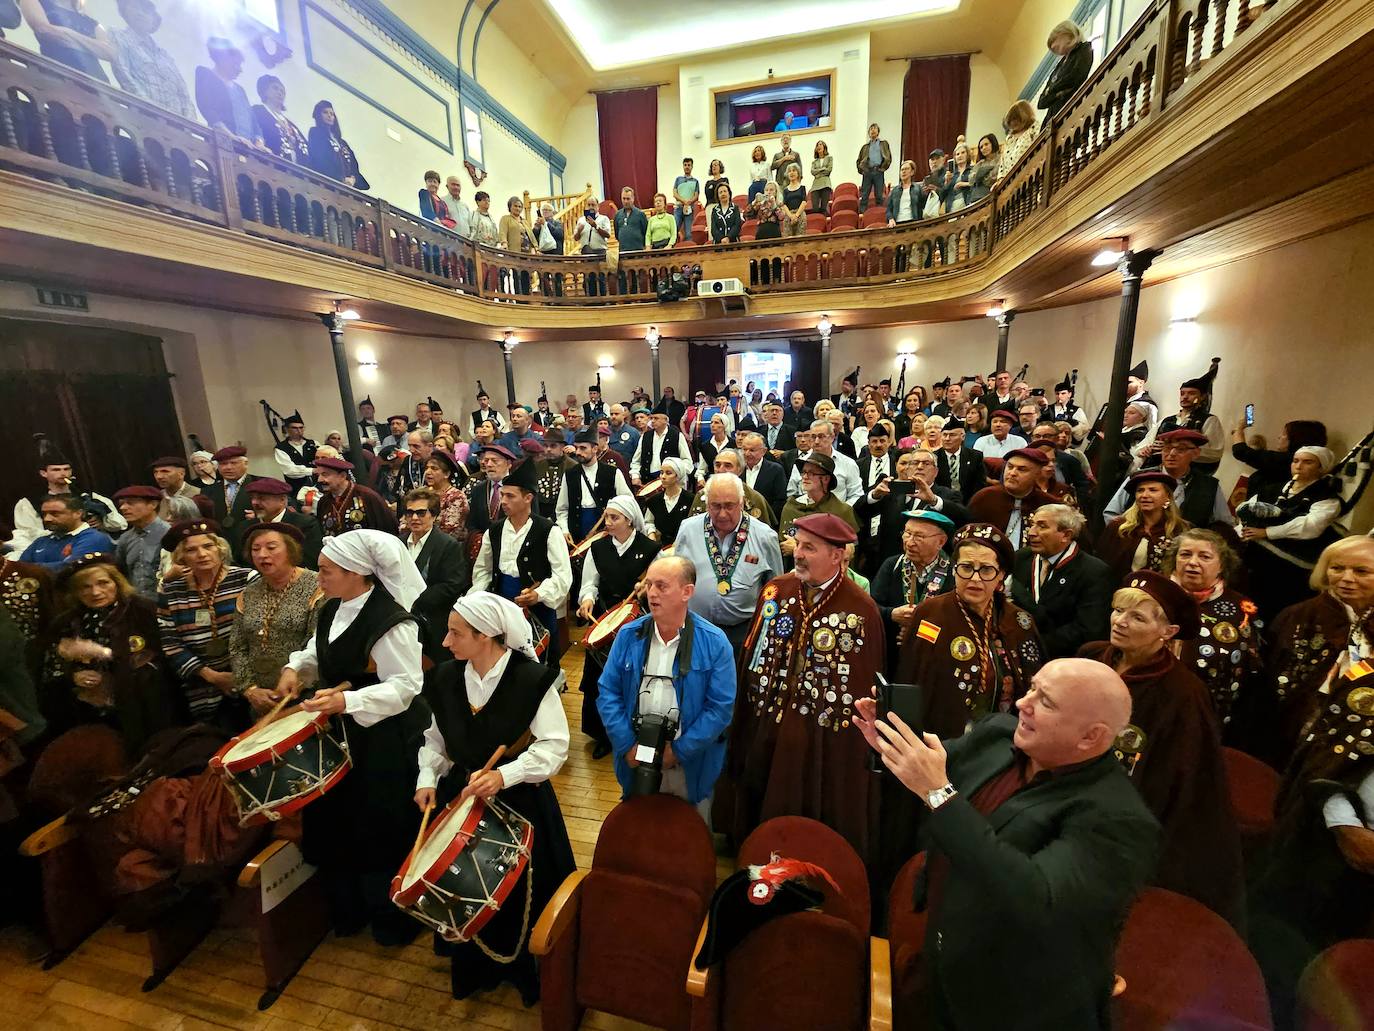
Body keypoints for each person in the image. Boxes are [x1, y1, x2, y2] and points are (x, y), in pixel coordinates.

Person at [854, 658, 1159, 1031]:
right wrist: (892, 744)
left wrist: (937, 793)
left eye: (1045, 702)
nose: (1021, 704)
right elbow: (932, 766)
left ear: (1090, 737)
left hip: (1018, 1003)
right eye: (1032, 688)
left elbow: (1033, 898)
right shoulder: (999, 735)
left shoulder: (1118, 820)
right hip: (946, 956)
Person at [414, 593, 575, 1003]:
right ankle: (475, 968)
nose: (446, 643)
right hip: (463, 797)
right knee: (464, 886)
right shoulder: (447, 677)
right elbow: (435, 740)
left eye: (455, 633)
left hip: (520, 802)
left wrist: (506, 774)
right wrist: (428, 776)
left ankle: (525, 970)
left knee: (521, 892)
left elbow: (554, 746)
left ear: (486, 636)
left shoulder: (531, 680)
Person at [275, 531, 427, 943]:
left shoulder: (392, 622)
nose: (318, 576)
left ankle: (391, 919)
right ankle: (348, 908)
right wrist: (297, 669)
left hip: (381, 740)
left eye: (326, 570)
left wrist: (350, 701)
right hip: (340, 733)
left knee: (378, 826)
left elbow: (404, 686)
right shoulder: (332, 608)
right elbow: (319, 649)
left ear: (357, 573)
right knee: (339, 820)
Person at [1079, 570, 1244, 924]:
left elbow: (1179, 783)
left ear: (1167, 633)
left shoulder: (1182, 694)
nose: (1120, 622)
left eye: (1136, 617)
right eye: (1117, 610)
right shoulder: (1092, 659)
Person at [729, 513, 884, 858]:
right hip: (766, 723)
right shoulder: (777, 590)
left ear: (837, 555)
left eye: (809, 548)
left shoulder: (861, 609)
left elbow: (860, 684)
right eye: (798, 544)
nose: (797, 553)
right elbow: (752, 656)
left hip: (818, 740)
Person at [1249, 664, 1374, 1028]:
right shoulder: (1363, 691)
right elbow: (1321, 764)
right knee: (1288, 961)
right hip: (1324, 858)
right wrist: (1345, 825)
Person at [596, 554, 735, 822]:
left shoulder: (715, 643)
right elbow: (607, 693)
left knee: (690, 837)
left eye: (661, 586)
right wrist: (627, 745)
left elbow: (720, 709)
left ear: (687, 592)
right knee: (641, 832)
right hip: (636, 758)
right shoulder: (629, 635)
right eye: (649, 585)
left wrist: (678, 751)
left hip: (690, 765)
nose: (652, 593)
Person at [1260, 536, 1374, 767]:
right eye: (1337, 568)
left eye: (1361, 571)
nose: (1346, 578)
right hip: (1291, 735)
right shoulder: (1297, 616)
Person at [467, 457, 571, 670]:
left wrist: (539, 594)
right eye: (502, 495)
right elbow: (483, 571)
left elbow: (562, 575)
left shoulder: (548, 531)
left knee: (538, 667)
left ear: (528, 498)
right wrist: (477, 599)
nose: (503, 501)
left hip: (537, 611)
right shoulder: (494, 531)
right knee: (503, 665)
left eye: (510, 496)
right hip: (500, 608)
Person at [576, 497, 658, 758]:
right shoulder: (598, 548)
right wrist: (587, 599)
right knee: (602, 680)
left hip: (640, 620)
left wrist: (647, 589)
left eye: (615, 518)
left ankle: (640, 732)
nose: (608, 523)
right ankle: (604, 734)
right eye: (607, 516)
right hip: (605, 616)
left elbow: (660, 584)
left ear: (630, 520)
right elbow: (590, 582)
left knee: (637, 678)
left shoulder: (651, 549)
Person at [1159, 529, 1262, 734]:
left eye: (1205, 556)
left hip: (1208, 715)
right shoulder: (1153, 596)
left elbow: (1250, 672)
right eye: (1185, 554)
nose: (1193, 562)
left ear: (1222, 565)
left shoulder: (1242, 609)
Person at [157, 518, 256, 728]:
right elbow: (171, 644)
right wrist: (213, 677)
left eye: (208, 546)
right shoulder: (171, 591)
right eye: (191, 550)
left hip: (252, 678)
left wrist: (241, 675)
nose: (202, 554)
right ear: (181, 557)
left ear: (220, 548)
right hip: (201, 685)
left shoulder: (246, 579)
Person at [673, 474, 783, 649]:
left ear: (742, 502)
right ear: (707, 503)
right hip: (695, 628)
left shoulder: (765, 536)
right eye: (716, 506)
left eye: (729, 506)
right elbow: (676, 576)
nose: (722, 514)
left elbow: (777, 589)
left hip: (742, 633)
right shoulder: (688, 529)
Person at [1237, 444, 1344, 622]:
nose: (1299, 466)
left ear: (1321, 467)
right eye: (1295, 461)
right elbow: (1248, 512)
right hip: (1256, 560)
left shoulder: (1327, 497)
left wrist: (1267, 532)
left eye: (1307, 462)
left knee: (1276, 613)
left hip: (1290, 571)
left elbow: (1310, 526)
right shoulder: (1272, 488)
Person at [228, 521, 320, 714]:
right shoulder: (249, 593)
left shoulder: (317, 586)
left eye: (271, 547)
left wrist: (297, 677)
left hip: (305, 696)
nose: (262, 555)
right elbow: (237, 646)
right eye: (255, 549)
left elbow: (317, 641)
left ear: (290, 549)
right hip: (259, 700)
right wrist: (250, 689)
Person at [1010, 504, 1111, 660]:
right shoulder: (1020, 559)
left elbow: (1088, 630)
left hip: (1063, 661)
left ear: (1066, 535)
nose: (1031, 533)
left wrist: (1032, 646)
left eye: (1042, 527)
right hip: (1016, 656)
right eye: (1032, 525)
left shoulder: (1094, 572)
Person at [872, 509, 955, 663]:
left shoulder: (954, 573)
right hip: (891, 656)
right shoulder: (892, 565)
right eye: (907, 533)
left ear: (941, 542)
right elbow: (871, 607)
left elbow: (956, 622)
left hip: (934, 659)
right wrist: (892, 614)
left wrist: (919, 630)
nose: (910, 542)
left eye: (919, 536)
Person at [401, 487, 470, 656]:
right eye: (410, 513)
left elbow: (452, 585)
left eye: (421, 513)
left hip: (432, 621)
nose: (414, 518)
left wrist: (413, 600)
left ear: (434, 515)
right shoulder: (398, 543)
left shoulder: (447, 545)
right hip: (400, 619)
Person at [1096, 470, 1189, 583]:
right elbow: (1100, 567)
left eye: (1153, 490)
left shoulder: (1181, 530)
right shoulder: (1118, 528)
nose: (1144, 495)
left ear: (1168, 496)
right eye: (1140, 490)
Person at [108, 0, 193, 119]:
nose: (140, 13)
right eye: (134, 7)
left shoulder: (165, 56)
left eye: (146, 10)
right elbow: (123, 74)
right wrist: (151, 111)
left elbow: (183, 93)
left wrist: (189, 122)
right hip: (146, 120)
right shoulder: (119, 36)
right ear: (125, 12)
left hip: (179, 125)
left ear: (154, 20)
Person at [1139, 362, 1225, 473]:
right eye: (1182, 393)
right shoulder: (1167, 421)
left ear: (1202, 397)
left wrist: (1180, 449)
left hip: (1190, 475)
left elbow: (1215, 452)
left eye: (1191, 393)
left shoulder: (1209, 420)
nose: (1185, 397)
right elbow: (1145, 444)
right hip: (1158, 472)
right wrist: (1145, 449)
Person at [968, 447, 1054, 548]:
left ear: (1037, 474)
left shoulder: (1048, 505)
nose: (1012, 473)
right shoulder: (984, 498)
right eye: (1010, 467)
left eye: (1022, 469)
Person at [1230, 416, 1328, 502]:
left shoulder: (1287, 460)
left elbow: (1241, 451)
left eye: (1284, 434)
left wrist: (1239, 428)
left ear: (1297, 439)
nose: (1279, 437)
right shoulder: (1284, 459)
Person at [778, 453, 859, 555]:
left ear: (826, 479)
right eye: (803, 472)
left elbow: (848, 550)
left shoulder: (841, 511)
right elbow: (783, 544)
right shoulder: (791, 507)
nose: (805, 477)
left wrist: (799, 547)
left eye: (812, 473)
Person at [20, 0, 113, 81]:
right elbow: (44, 30)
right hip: (59, 76)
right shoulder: (37, 2)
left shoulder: (91, 21)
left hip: (98, 82)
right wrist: (92, 46)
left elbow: (109, 52)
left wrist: (67, 33)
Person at [19, 493, 114, 571]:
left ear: (78, 513)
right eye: (44, 514)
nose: (47, 519)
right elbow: (18, 568)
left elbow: (71, 568)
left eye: (55, 514)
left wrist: (29, 569)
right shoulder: (40, 541)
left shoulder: (94, 538)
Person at [195, 37, 262, 145]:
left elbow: (253, 120)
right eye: (236, 64)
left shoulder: (240, 90)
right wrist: (231, 137)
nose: (240, 70)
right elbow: (206, 107)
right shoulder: (205, 74)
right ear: (222, 58)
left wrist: (259, 142)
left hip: (249, 148)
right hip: (222, 143)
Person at [314, 456, 398, 536]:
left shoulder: (367, 497)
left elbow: (388, 529)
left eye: (325, 475)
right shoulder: (323, 502)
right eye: (318, 475)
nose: (320, 480)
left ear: (342, 476)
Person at [785, 420, 863, 505]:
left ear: (832, 437)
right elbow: (791, 493)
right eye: (813, 437)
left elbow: (856, 495)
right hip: (806, 513)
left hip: (838, 515)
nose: (817, 441)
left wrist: (841, 512)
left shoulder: (848, 463)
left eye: (821, 436)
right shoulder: (801, 462)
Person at [111, 485, 168, 600]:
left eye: (130, 503)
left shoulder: (169, 534)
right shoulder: (125, 538)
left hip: (167, 604)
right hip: (138, 605)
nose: (123, 507)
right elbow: (120, 572)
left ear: (153, 504)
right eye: (121, 503)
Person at [1038, 20, 1094, 118]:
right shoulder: (1059, 65)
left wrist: (1051, 91)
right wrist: (1057, 92)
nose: (1053, 47)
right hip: (1053, 118)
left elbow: (1074, 77)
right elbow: (1042, 103)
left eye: (1055, 39)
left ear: (1067, 33)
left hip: (1071, 111)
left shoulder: (1084, 49)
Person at [308, 100, 368, 190]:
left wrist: (353, 179)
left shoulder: (342, 143)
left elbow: (354, 165)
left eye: (332, 114)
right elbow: (320, 160)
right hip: (327, 186)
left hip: (348, 188)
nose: (329, 116)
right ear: (318, 115)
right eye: (325, 112)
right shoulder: (315, 133)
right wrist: (340, 179)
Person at [252, 74, 308, 165]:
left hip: (298, 172)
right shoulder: (258, 111)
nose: (280, 93)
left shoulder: (290, 124)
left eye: (282, 91)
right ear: (264, 91)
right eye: (275, 88)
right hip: (270, 166)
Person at [632, 410, 693, 488]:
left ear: (665, 420)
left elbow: (687, 461)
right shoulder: (645, 436)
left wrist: (677, 474)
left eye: (656, 418)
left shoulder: (677, 436)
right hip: (648, 482)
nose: (652, 421)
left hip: (671, 483)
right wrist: (635, 476)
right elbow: (636, 461)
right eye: (651, 418)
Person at [738, 432, 788, 525]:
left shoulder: (776, 470)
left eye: (752, 450)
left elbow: (780, 500)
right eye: (744, 449)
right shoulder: (737, 469)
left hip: (765, 522)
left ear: (764, 451)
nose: (747, 453)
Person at [643, 458, 695, 545]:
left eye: (668, 473)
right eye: (661, 472)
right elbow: (649, 522)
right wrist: (651, 535)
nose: (663, 477)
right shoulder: (654, 500)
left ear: (678, 476)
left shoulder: (690, 499)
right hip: (660, 547)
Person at [934, 422, 987, 502]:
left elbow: (980, 483)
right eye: (944, 435)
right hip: (941, 501)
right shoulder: (934, 457)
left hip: (969, 501)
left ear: (963, 437)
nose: (947, 439)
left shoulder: (975, 456)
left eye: (952, 435)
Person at [272, 410, 318, 495]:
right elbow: (289, 471)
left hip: (318, 487)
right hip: (296, 490)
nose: (299, 431)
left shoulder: (313, 444)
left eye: (301, 428)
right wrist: (312, 470)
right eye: (294, 428)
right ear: (287, 429)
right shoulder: (281, 448)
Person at [997, 100, 1039, 179]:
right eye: (1010, 121)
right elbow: (1002, 164)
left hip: (1030, 174)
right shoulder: (1009, 138)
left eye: (1014, 119)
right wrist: (1000, 179)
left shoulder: (1034, 128)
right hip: (1011, 181)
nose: (1012, 123)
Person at [856, 122, 891, 212]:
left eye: (874, 128)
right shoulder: (865, 147)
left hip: (878, 171)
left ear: (878, 132)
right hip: (867, 171)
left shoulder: (883, 144)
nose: (873, 130)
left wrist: (882, 168)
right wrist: (862, 170)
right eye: (871, 129)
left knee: (879, 194)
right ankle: (862, 213)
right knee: (864, 195)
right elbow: (859, 160)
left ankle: (879, 212)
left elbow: (888, 157)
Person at [885, 159, 923, 232]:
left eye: (906, 169)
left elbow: (922, 206)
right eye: (902, 170)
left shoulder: (918, 188)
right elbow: (888, 209)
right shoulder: (894, 191)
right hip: (898, 224)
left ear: (912, 172)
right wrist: (890, 219)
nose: (903, 171)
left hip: (913, 223)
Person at [613, 185, 648, 254]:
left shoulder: (640, 214)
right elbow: (617, 234)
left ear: (633, 198)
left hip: (638, 251)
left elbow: (646, 232)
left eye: (628, 199)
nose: (625, 201)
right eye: (624, 198)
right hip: (623, 252)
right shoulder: (617, 215)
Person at [672, 158, 700, 242]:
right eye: (685, 165)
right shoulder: (678, 179)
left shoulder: (695, 181)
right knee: (674, 230)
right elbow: (675, 193)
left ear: (692, 167)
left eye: (689, 165)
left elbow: (696, 195)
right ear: (683, 166)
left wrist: (689, 202)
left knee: (688, 233)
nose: (687, 167)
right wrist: (683, 201)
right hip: (678, 208)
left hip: (689, 209)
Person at [779, 163, 808, 237]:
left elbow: (804, 202)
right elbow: (784, 204)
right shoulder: (785, 190)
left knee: (800, 237)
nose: (791, 173)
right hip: (789, 215)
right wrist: (791, 216)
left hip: (800, 214)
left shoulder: (802, 188)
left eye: (794, 170)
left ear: (798, 173)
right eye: (789, 171)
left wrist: (796, 216)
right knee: (788, 238)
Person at [809, 139, 834, 214]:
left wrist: (818, 173)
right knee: (815, 209)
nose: (818, 146)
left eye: (820, 144)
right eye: (817, 145)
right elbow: (813, 172)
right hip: (815, 185)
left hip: (825, 184)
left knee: (823, 208)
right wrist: (823, 169)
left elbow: (829, 170)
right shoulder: (814, 162)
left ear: (824, 147)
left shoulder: (829, 158)